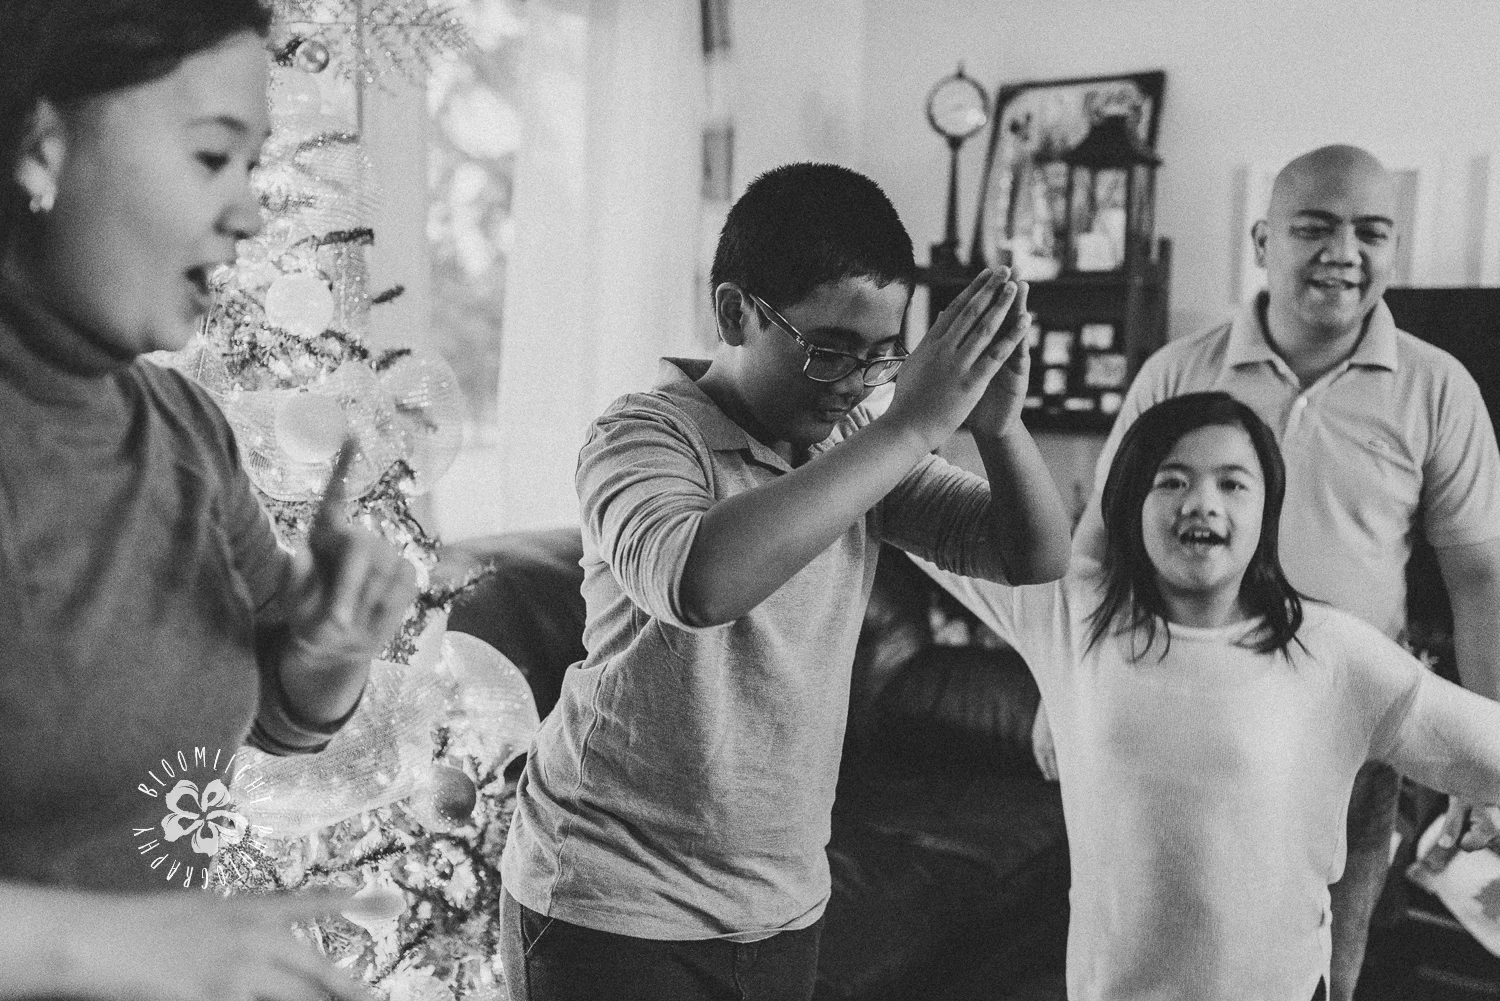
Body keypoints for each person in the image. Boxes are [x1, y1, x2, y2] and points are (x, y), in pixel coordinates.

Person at [498, 162, 1073, 1001]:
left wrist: (1001, 426)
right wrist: (910, 423)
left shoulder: (858, 442)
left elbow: (1033, 555)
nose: (854, 382)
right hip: (610, 902)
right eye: (830, 349)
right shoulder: (642, 436)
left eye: (883, 357)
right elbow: (697, 582)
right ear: (734, 311)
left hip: (781, 904)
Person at [0, 1, 416, 998]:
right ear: (41, 145)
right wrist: (90, 946)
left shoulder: (183, 429)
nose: (250, 212)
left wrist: (323, 652)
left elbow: (273, 709)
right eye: (210, 156)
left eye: (252, 164)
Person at [1029, 143, 1500, 1000]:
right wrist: (1056, 687)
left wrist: (1480, 753)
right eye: (1315, 227)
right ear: (1261, 238)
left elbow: (1480, 581)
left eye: (1371, 231)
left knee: (1327, 961)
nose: (1344, 253)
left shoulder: (1442, 388)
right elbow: (1096, 541)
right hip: (1167, 724)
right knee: (1153, 949)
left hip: (1353, 732)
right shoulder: (1178, 371)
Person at [918, 391, 1500, 1001]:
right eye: (1171, 481)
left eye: (1232, 484)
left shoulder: (1335, 653)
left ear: (1267, 510)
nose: (1201, 504)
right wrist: (943, 416)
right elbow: (916, 499)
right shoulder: (1071, 607)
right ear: (1132, 501)